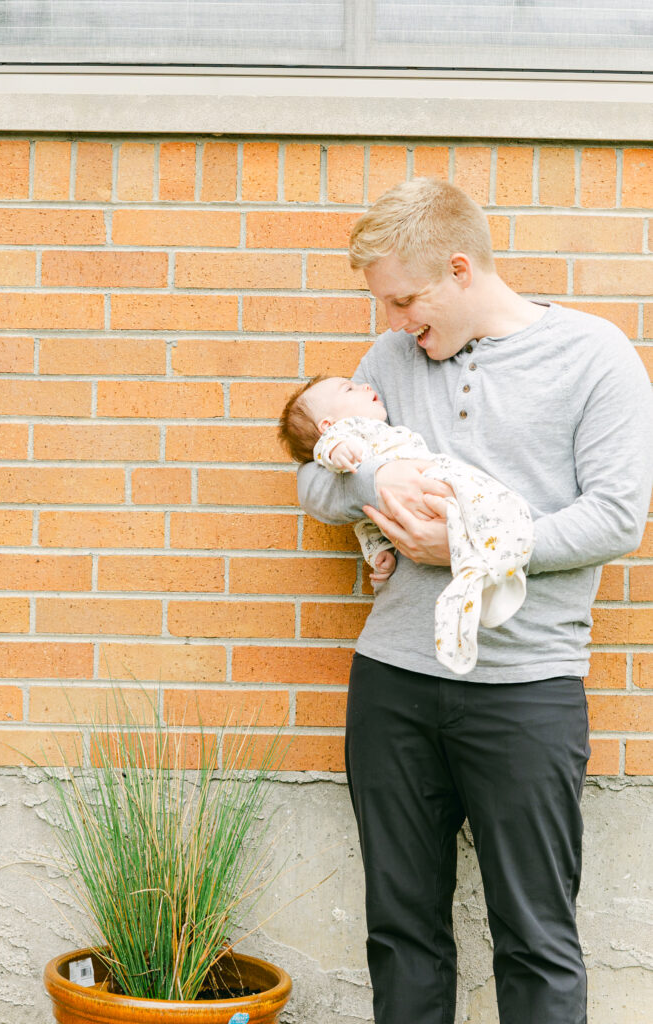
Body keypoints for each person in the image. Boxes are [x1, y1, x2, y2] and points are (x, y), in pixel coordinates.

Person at [296, 177, 653, 1024]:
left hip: (527, 690)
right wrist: (381, 476)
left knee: (534, 936)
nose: (392, 323)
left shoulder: (594, 356)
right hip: (394, 686)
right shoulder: (388, 363)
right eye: (383, 304)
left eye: (405, 300)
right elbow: (319, 481)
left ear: (459, 269)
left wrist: (467, 544)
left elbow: (614, 517)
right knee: (401, 930)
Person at [279, 374, 534, 674]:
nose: (364, 386)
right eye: (349, 389)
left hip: (431, 487)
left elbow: (369, 526)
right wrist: (335, 450)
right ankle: (488, 566)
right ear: (327, 425)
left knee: (487, 514)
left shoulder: (365, 431)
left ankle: (479, 575)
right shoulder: (349, 433)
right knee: (498, 506)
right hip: (436, 481)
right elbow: (326, 454)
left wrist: (379, 556)